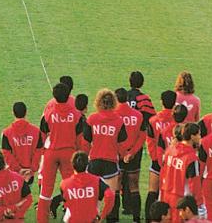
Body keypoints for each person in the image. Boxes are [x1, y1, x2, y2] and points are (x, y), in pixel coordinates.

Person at [38, 81, 84, 223]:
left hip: (51, 153)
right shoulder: (76, 114)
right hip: (69, 154)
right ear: (68, 95)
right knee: (72, 189)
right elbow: (80, 139)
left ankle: (42, 220)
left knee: (45, 192)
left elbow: (42, 135)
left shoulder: (48, 113)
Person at [82, 89, 129, 223]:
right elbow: (122, 145)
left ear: (98, 102)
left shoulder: (91, 119)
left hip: (94, 162)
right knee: (111, 198)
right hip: (111, 163)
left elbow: (85, 143)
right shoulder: (119, 121)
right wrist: (124, 155)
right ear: (114, 102)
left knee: (93, 198)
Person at [50, 150, 115, 222]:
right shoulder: (97, 180)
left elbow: (66, 203)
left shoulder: (64, 183)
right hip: (92, 219)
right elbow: (110, 195)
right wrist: (103, 216)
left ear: (72, 165)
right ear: (87, 164)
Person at [159, 122, 203, 222]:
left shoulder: (170, 150)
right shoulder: (192, 158)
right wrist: (199, 203)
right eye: (199, 134)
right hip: (180, 199)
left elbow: (163, 173)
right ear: (192, 136)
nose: (200, 137)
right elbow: (194, 184)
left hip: (166, 194)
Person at [145, 92, 177, 223]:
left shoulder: (153, 120)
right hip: (174, 164)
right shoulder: (177, 122)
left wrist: (155, 159)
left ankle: (149, 219)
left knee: (152, 192)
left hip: (157, 163)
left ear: (161, 102)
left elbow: (150, 141)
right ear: (175, 103)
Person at [116, 88, 147, 223]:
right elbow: (142, 136)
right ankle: (136, 219)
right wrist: (132, 152)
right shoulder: (138, 115)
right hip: (134, 155)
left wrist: (123, 154)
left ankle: (114, 218)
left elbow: (113, 137)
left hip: (119, 155)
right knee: (134, 186)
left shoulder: (114, 115)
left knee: (116, 187)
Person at [0, 148, 32, 221]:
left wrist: (9, 210)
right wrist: (17, 214)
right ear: (4, 161)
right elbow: (28, 199)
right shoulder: (18, 178)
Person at [1, 102, 43, 185]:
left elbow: (6, 154)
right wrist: (31, 169)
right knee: (27, 196)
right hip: (29, 174)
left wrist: (18, 169)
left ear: (13, 113)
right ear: (26, 112)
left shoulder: (6, 133)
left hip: (14, 173)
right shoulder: (36, 131)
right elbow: (39, 151)